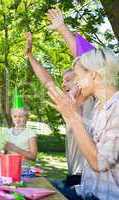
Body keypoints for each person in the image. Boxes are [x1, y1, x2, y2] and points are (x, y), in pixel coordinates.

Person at [25, 31, 119, 199]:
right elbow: (49, 83)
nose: (76, 82)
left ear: (92, 75)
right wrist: (29, 55)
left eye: (78, 76)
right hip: (85, 190)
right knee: (32, 188)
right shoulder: (99, 105)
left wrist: (73, 118)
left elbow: (99, 163)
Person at [48, 9, 96, 187]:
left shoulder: (92, 97)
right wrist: (29, 56)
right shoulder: (70, 101)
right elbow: (47, 81)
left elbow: (87, 61)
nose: (63, 84)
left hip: (86, 176)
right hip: (74, 175)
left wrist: (63, 30)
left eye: (70, 78)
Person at [4, 89, 37, 162]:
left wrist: (15, 148)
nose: (17, 119)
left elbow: (33, 156)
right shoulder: (8, 132)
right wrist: (3, 149)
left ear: (26, 117)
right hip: (8, 167)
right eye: (15, 116)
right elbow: (5, 153)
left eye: (21, 116)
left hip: (23, 170)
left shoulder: (30, 133)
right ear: (12, 117)